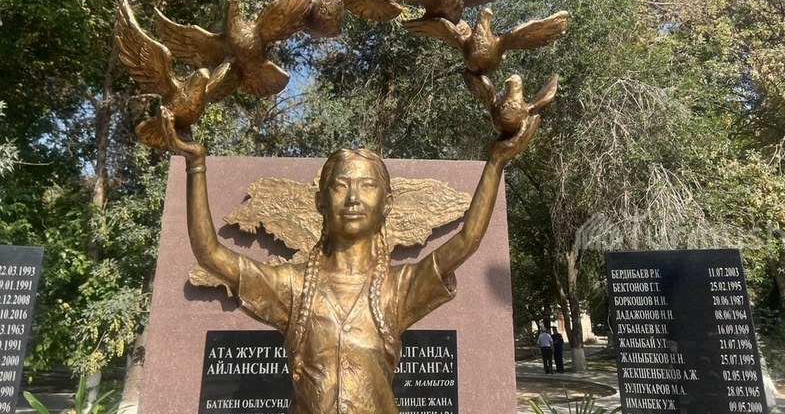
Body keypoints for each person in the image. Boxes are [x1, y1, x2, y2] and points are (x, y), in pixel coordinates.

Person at [159, 107, 538, 414]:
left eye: (367, 186)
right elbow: (209, 252)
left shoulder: (397, 289)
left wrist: (496, 161)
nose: (353, 198)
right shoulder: (292, 287)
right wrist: (196, 163)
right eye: (340, 187)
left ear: (386, 205)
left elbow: (468, 239)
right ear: (321, 203)